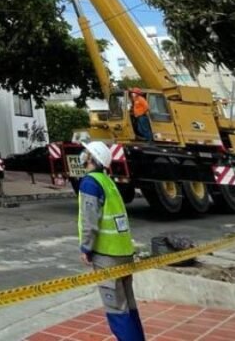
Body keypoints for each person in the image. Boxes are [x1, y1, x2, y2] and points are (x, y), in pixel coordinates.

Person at [78, 141, 145, 341]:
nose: (83, 155)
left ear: (92, 158)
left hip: (107, 255)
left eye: (86, 152)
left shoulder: (90, 183)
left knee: (116, 309)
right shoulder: (108, 182)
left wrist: (86, 248)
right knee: (129, 307)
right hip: (124, 252)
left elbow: (90, 221)